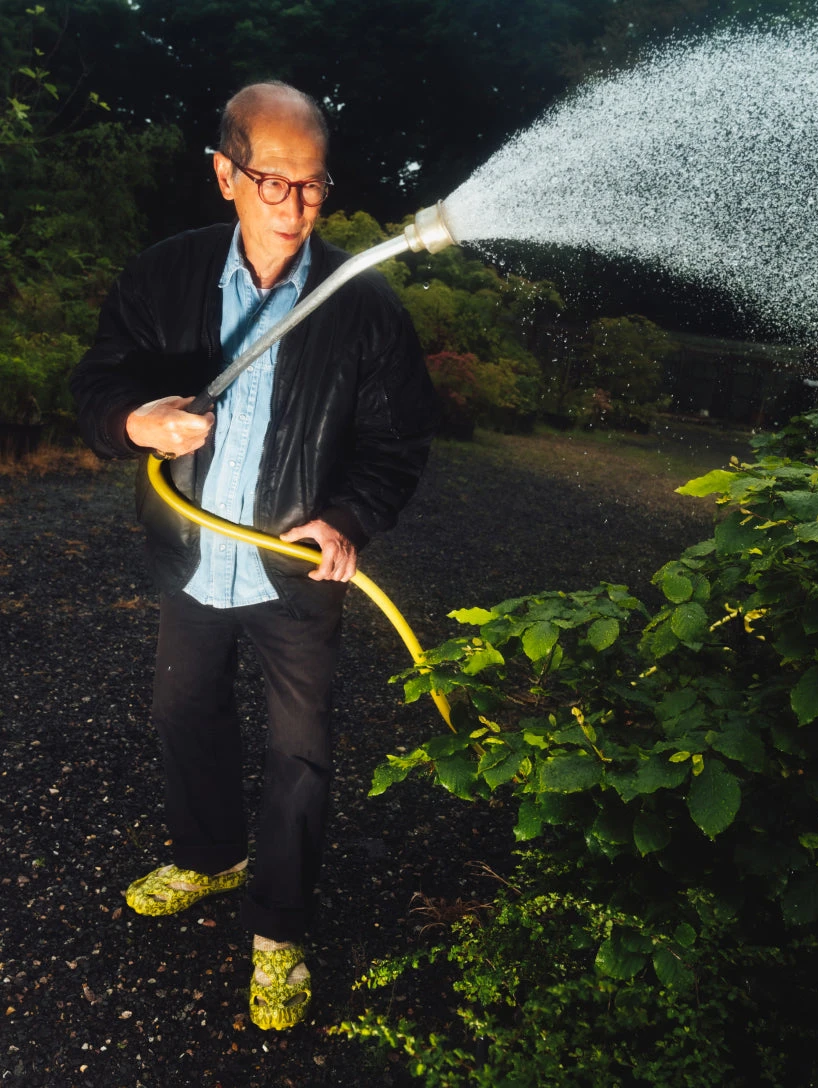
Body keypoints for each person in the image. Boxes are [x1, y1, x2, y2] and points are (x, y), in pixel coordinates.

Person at [70, 81, 438, 1031]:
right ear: (225, 174)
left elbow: (397, 442)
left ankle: (279, 929)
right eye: (272, 180)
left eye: (313, 185)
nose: (294, 205)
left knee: (299, 752)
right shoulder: (164, 276)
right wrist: (134, 421)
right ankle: (209, 858)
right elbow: (100, 381)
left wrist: (347, 518)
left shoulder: (363, 305)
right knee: (183, 712)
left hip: (294, 571)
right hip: (193, 555)